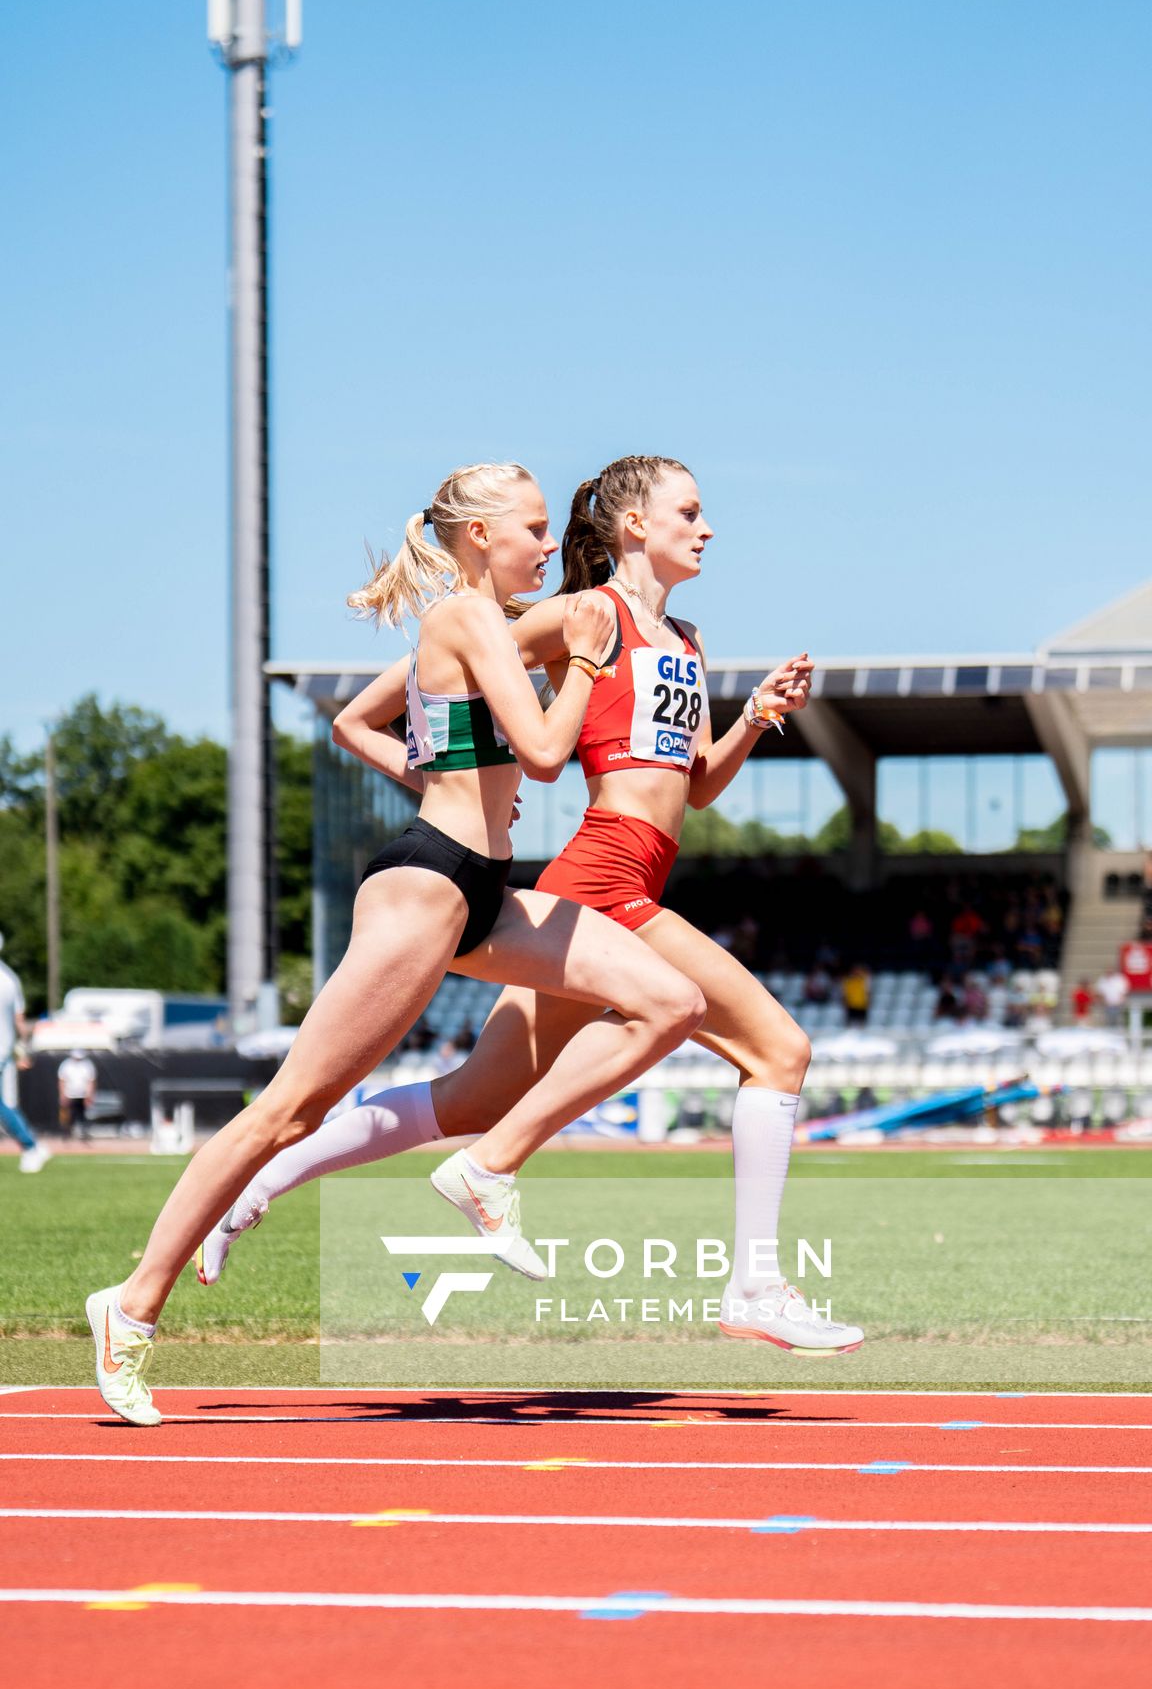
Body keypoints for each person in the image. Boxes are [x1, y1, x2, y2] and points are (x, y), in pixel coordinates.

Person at [200, 454, 863, 1356]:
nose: (707, 529)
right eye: (690, 511)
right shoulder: (579, 617)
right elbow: (408, 692)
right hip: (603, 877)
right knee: (780, 1049)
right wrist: (443, 768)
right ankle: (753, 1283)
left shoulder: (688, 641)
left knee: (472, 1096)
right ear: (634, 524)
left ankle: (263, 1182)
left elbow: (695, 785)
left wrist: (754, 718)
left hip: (625, 879)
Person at [86, 462, 706, 1425]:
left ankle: (488, 1165)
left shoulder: (493, 630)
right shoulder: (463, 619)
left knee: (671, 1001)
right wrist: (582, 664)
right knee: (286, 1112)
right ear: (477, 540)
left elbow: (359, 722)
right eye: (535, 531)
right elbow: (545, 755)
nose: (551, 546)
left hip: (485, 893)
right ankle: (130, 1306)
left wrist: (442, 765)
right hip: (424, 889)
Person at [0, 934, 51, 1174]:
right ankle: (31, 1144)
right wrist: (22, 1049)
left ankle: (31, 1146)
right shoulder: (10, 978)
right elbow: (20, 1022)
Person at [57, 1047, 97, 1140]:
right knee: (69, 1115)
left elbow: (91, 1080)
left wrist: (90, 1094)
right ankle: (67, 1133)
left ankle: (84, 1133)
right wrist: (62, 1094)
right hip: (70, 1094)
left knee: (83, 1115)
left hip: (83, 1094)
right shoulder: (66, 1065)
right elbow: (62, 1080)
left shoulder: (87, 1065)